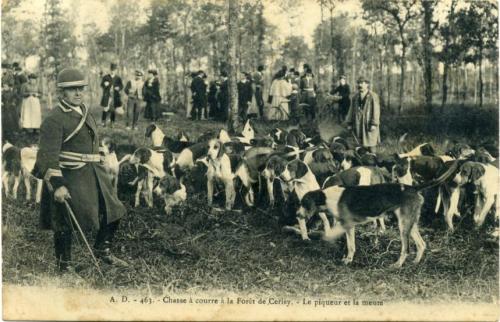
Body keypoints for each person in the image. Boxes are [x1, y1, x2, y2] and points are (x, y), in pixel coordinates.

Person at [33, 67, 127, 273]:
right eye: (72, 89)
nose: (78, 93)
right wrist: (57, 185)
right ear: (61, 93)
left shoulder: (86, 112)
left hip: (94, 172)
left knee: (114, 209)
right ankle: (64, 266)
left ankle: (103, 249)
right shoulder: (54, 119)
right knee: (64, 220)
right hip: (70, 175)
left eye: (80, 89)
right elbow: (47, 155)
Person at [345, 76, 381, 153]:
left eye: (362, 83)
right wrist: (349, 122)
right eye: (358, 83)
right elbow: (351, 110)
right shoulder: (355, 97)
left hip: (369, 125)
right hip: (358, 125)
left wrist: (374, 124)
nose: (360, 85)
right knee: (360, 146)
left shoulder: (373, 96)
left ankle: (373, 162)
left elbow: (376, 111)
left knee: (371, 145)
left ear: (367, 84)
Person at [100, 63, 123, 128]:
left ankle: (112, 122)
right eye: (112, 70)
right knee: (105, 109)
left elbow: (121, 86)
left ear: (116, 70)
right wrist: (105, 84)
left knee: (113, 109)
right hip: (107, 95)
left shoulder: (118, 78)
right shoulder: (106, 77)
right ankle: (103, 122)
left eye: (114, 70)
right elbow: (101, 85)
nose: (112, 71)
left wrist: (119, 88)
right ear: (110, 70)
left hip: (115, 96)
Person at [2, 63, 18, 141]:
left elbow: (12, 85)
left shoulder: (10, 76)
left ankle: (13, 131)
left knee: (12, 116)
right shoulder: (3, 76)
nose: (5, 70)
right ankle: (6, 130)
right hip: (5, 93)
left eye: (6, 69)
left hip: (10, 93)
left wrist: (9, 88)